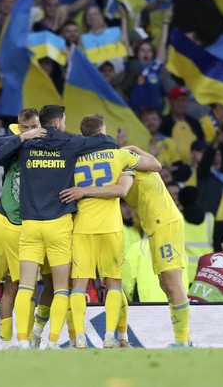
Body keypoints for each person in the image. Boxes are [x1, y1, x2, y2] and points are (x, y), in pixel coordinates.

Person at [0, 105, 117, 349]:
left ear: (41, 123)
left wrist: (23, 136)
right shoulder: (71, 141)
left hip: (30, 225)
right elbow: (109, 141)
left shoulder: (26, 144)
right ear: (59, 122)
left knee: (26, 286)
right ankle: (51, 341)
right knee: (61, 288)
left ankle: (23, 341)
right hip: (59, 225)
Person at [59, 114, 162, 349]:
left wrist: (83, 190)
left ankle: (81, 337)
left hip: (82, 227)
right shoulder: (121, 155)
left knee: (78, 285)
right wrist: (135, 148)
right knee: (113, 284)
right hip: (111, 228)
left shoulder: (73, 159)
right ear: (104, 131)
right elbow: (155, 166)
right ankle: (109, 336)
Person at [0, 109, 42, 350]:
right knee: (20, 287)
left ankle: (2, 340)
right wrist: (25, 137)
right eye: (25, 127)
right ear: (20, 126)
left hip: (2, 222)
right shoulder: (22, 139)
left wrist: (25, 138)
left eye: (34, 126)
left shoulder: (38, 142)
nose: (30, 130)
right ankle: (14, 338)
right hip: (14, 226)